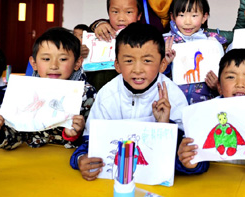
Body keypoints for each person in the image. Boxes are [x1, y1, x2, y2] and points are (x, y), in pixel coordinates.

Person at [70, 22, 188, 181]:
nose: (137, 69)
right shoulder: (108, 95)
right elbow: (89, 143)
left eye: (147, 61)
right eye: (129, 61)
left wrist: (165, 126)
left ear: (162, 64)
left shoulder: (173, 96)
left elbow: (189, 156)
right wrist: (80, 160)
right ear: (117, 65)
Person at [176, 48, 245, 182]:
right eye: (230, 77)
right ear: (219, 86)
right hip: (209, 186)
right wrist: (190, 163)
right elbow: (198, 161)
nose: (240, 84)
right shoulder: (205, 113)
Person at [0, 28, 96, 149]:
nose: (53, 66)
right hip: (28, 160)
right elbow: (15, 136)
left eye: (63, 59)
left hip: (65, 161)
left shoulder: (86, 94)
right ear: (34, 63)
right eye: (46, 59)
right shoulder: (24, 91)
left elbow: (91, 142)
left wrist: (74, 134)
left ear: (77, 63)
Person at [163, 0, 226, 104]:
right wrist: (165, 63)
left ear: (204, 17)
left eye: (194, 15)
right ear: (172, 17)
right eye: (181, 15)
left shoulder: (212, 42)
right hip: (174, 106)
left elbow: (226, 73)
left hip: (206, 105)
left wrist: (218, 85)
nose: (187, 22)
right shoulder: (167, 42)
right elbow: (154, 76)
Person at [85, 0, 143, 90]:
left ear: (139, 15)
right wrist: (98, 25)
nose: (121, 18)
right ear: (108, 13)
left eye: (128, 12)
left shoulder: (145, 39)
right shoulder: (101, 31)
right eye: (115, 12)